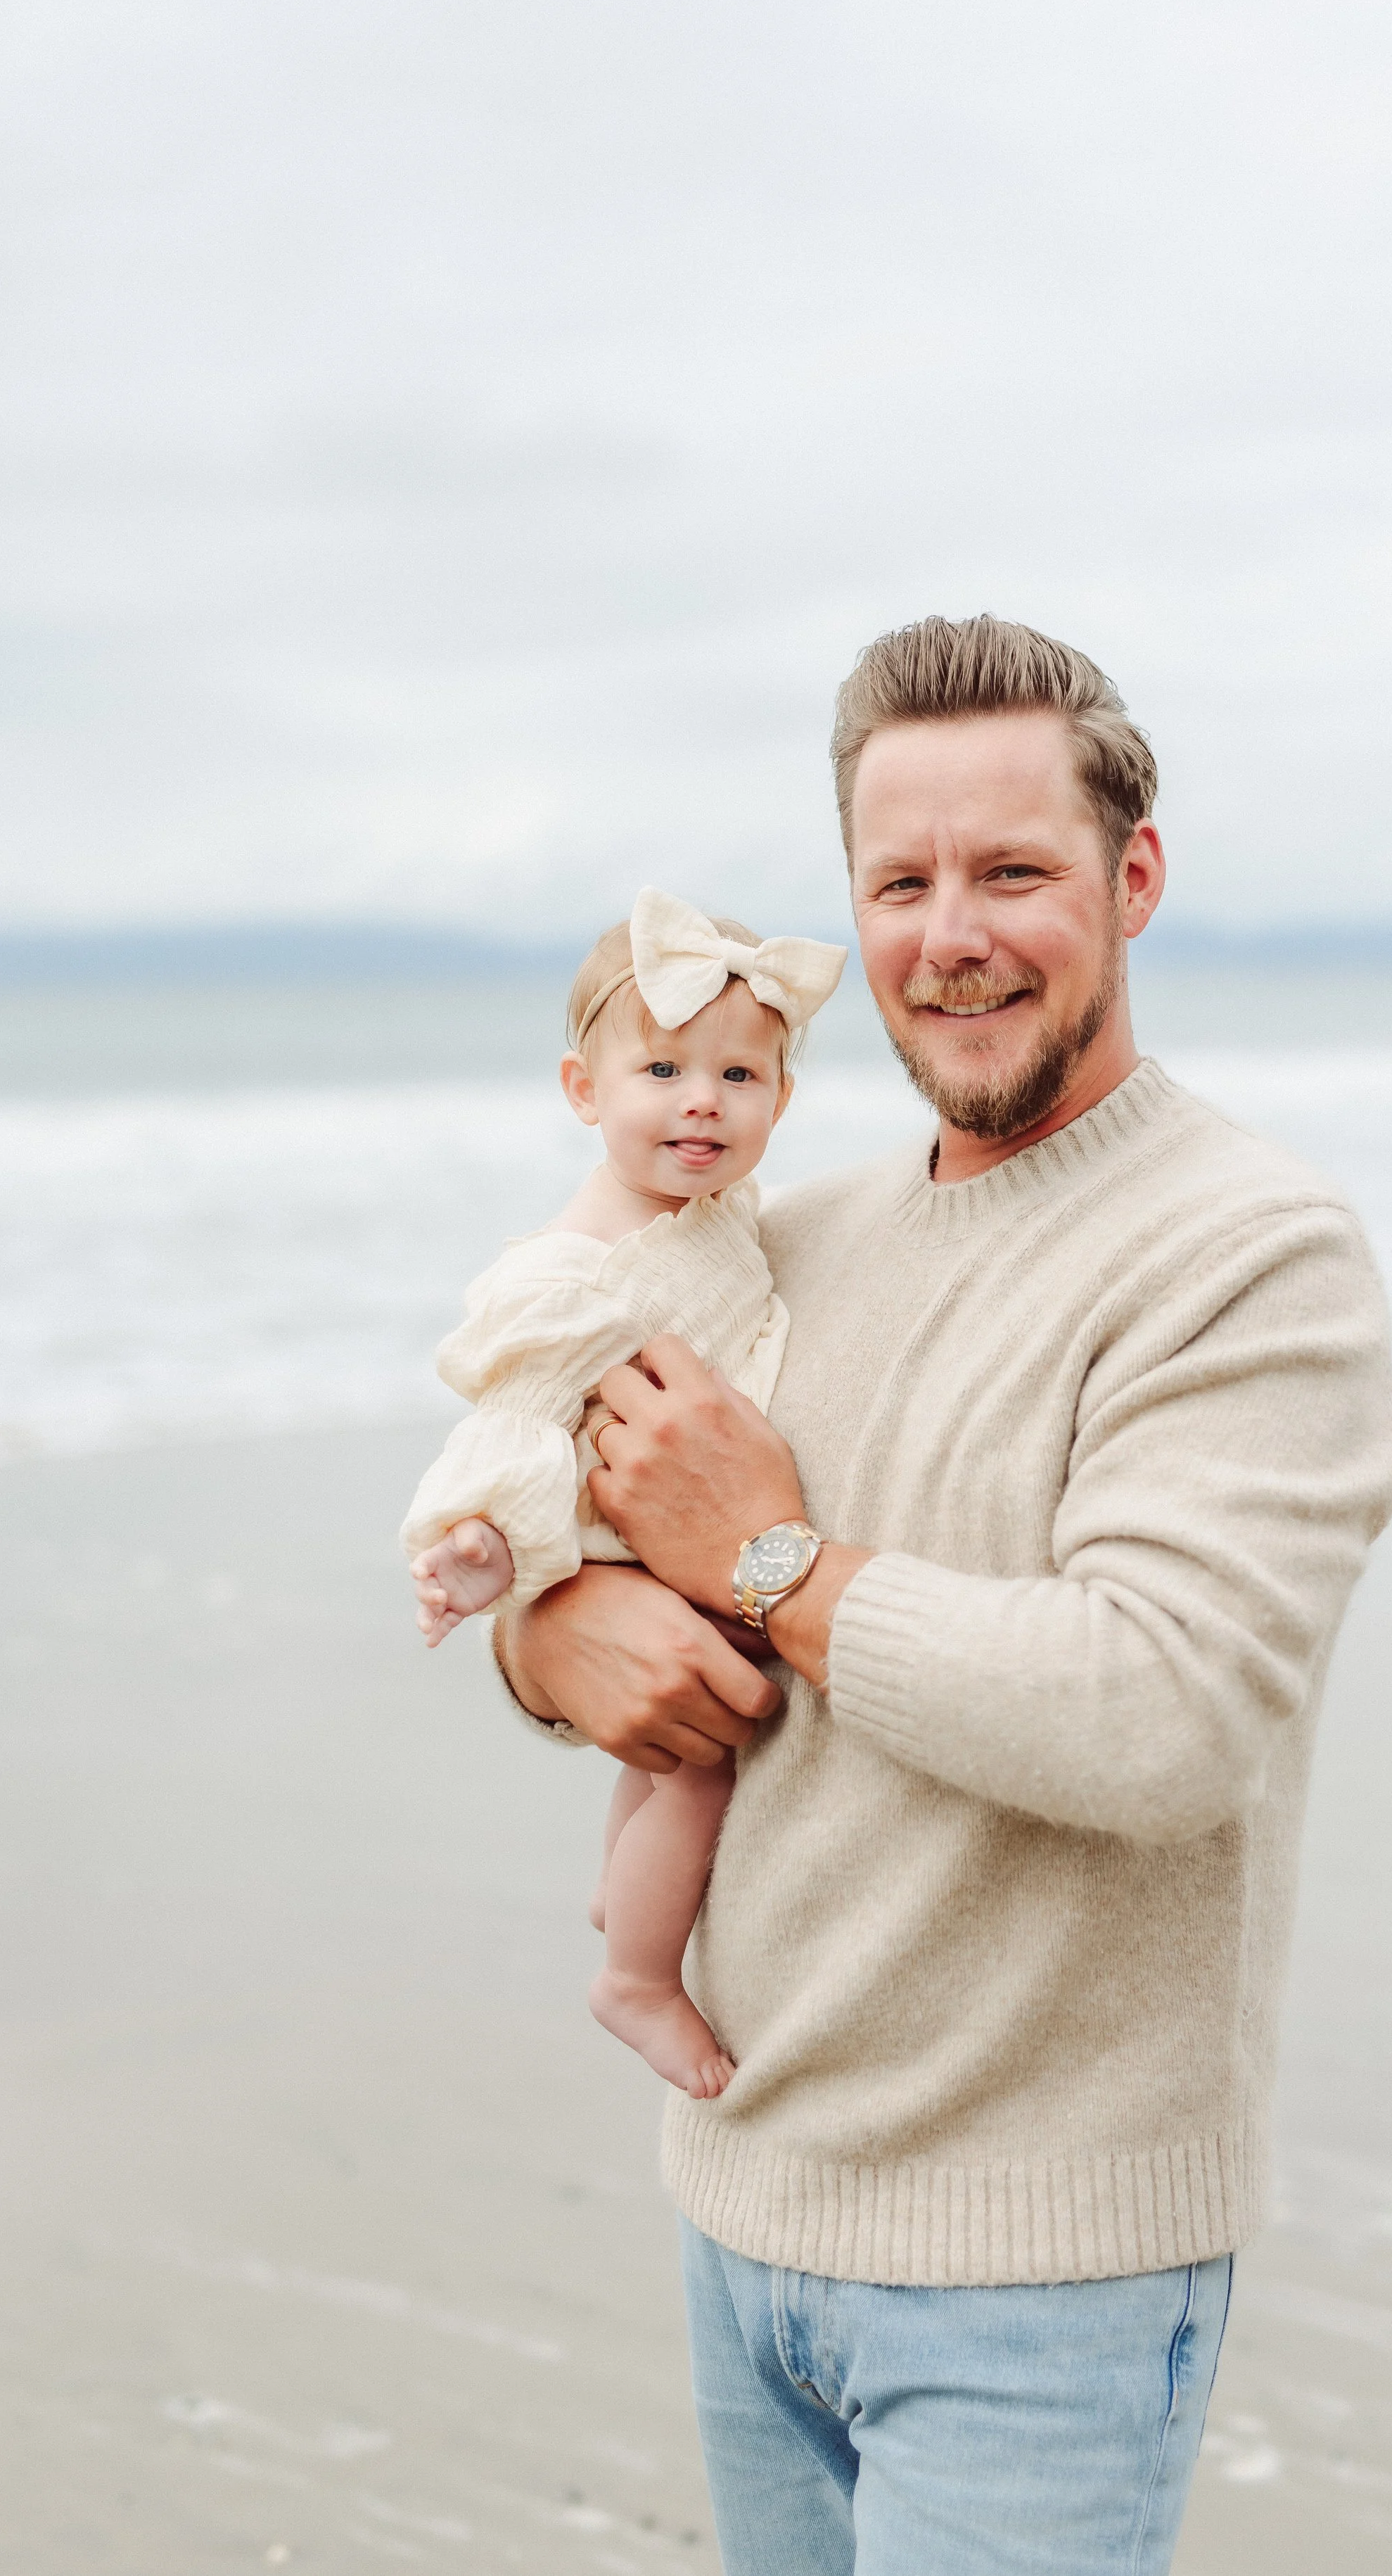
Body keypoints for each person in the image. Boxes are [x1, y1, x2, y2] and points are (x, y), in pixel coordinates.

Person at [495, 615, 1392, 2575]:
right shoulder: (771, 1239)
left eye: (1012, 872)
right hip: (740, 2206)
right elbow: (550, 1508)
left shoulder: (1251, 1252)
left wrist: (769, 1558)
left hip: (1037, 2281)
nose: (949, 936)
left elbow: (1155, 1713)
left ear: (1132, 877)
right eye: (898, 883)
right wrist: (541, 1642)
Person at [400, 887, 844, 2097]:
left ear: (781, 1103)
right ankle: (637, 1981)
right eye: (661, 1068)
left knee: (656, 1764)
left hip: (680, 1540)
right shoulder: (572, 1270)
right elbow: (518, 1423)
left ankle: (619, 1888)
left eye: (740, 1080)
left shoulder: (723, 1215)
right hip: (629, 1546)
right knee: (700, 1764)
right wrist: (490, 1554)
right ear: (583, 1091)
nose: (702, 1100)